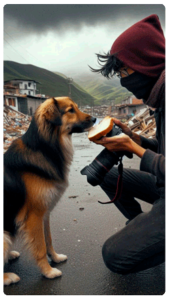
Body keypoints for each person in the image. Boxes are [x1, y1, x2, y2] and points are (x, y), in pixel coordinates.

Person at [88, 14, 166, 274]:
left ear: (145, 61)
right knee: (106, 176)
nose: (123, 79)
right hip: (162, 187)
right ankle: (146, 232)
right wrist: (136, 139)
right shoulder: (159, 98)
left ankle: (154, 239)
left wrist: (134, 150)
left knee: (115, 256)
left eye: (124, 71)